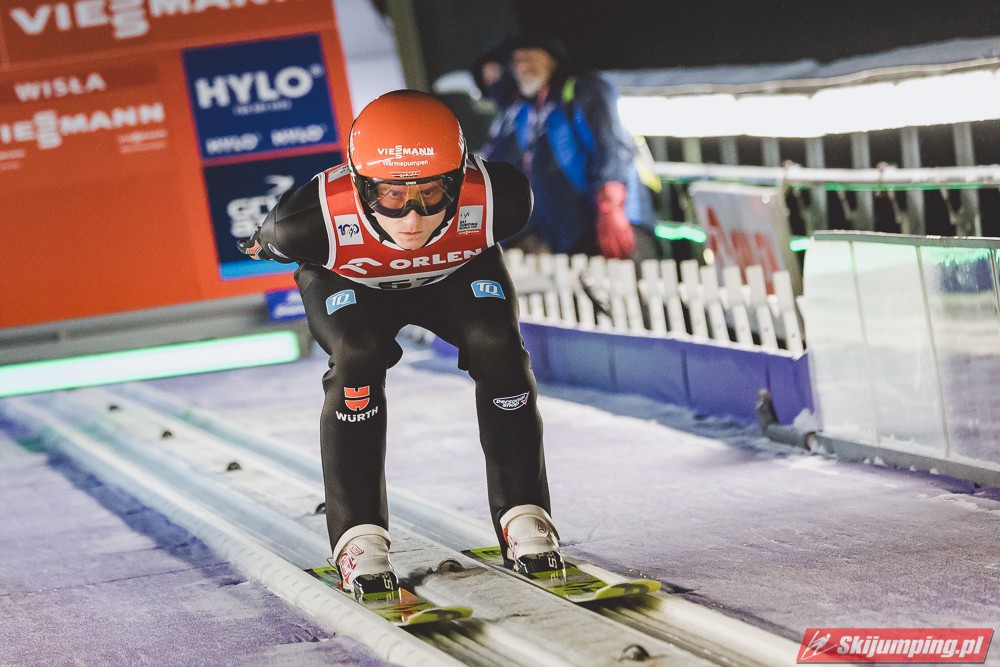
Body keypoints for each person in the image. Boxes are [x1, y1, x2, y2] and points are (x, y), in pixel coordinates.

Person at [237, 90, 563, 599]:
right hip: (352, 284)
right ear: (357, 183)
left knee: (498, 346)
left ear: (460, 178)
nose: (412, 219)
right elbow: (262, 243)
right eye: (391, 196)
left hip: (454, 278)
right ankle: (358, 535)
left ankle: (524, 513)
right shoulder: (303, 222)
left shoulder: (503, 198)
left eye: (431, 193)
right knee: (357, 356)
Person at [502, 33, 662, 261]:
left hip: (615, 223)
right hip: (572, 236)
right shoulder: (528, 110)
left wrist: (611, 208)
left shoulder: (582, 89)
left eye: (529, 58)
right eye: (516, 61)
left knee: (633, 280)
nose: (521, 67)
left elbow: (611, 146)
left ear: (550, 59)